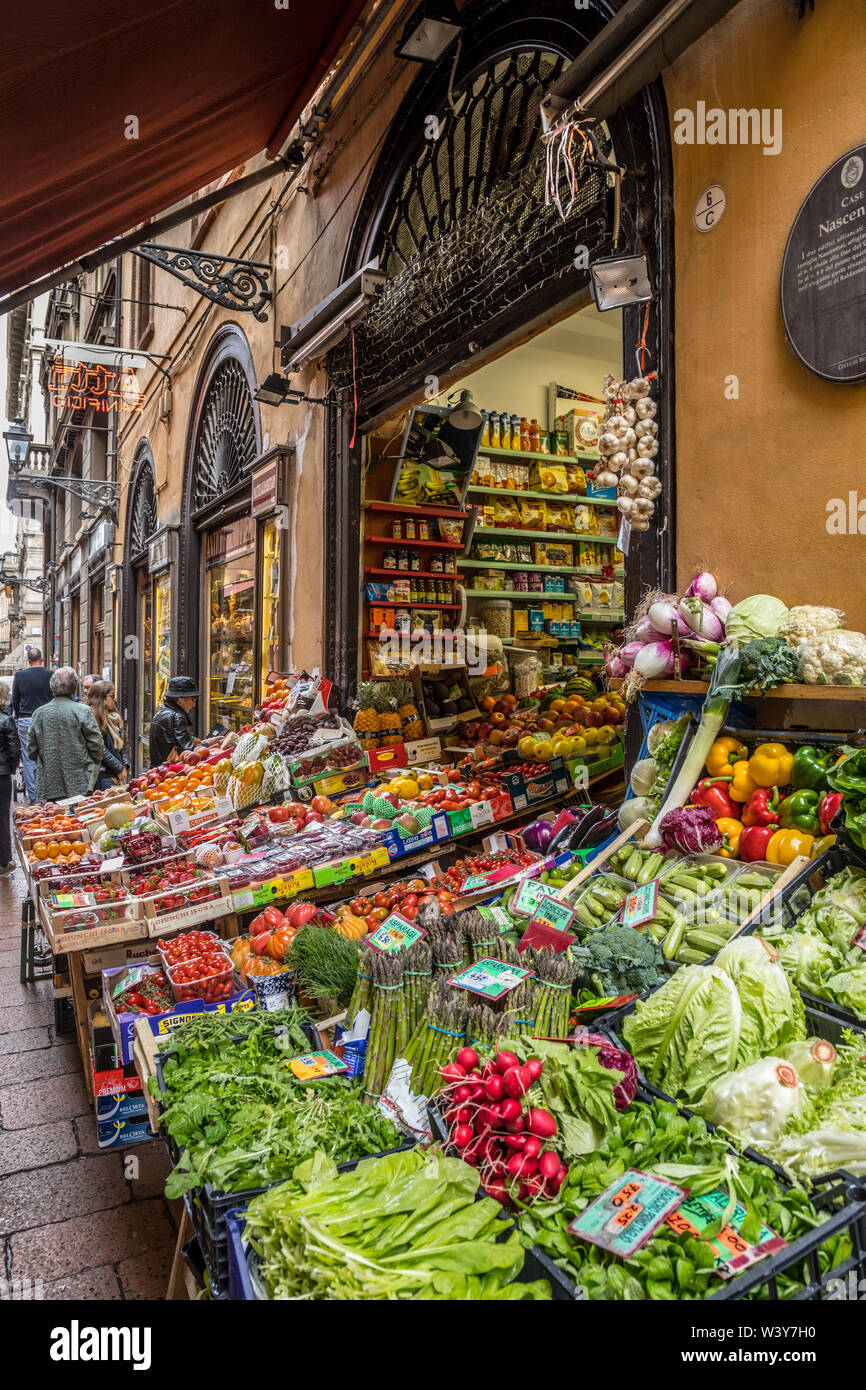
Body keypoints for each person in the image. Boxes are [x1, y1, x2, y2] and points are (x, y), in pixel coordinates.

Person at [27, 666, 104, 802]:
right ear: (74, 689)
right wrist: (92, 764)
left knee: (54, 820)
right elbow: (96, 745)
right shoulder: (83, 711)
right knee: (77, 819)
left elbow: (32, 750)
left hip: (49, 782)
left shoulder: (39, 713)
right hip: (80, 781)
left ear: (52, 688)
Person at [11, 647, 52, 801]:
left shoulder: (20, 675)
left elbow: (15, 698)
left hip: (26, 719)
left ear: (28, 660)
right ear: (42, 659)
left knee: (28, 758)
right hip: (46, 719)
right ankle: (47, 792)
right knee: (47, 754)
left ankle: (34, 795)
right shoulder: (50, 674)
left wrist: (19, 715)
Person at [148, 675, 200, 768]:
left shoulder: (161, 713)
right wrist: (208, 743)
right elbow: (189, 752)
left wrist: (191, 738)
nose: (194, 704)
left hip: (160, 771)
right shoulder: (177, 717)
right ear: (180, 699)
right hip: (172, 773)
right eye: (193, 699)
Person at [85, 680, 128, 790]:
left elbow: (120, 746)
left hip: (113, 774)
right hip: (103, 776)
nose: (115, 699)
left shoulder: (112, 717)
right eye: (112, 696)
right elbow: (100, 749)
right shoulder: (92, 718)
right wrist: (119, 768)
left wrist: (124, 765)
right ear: (102, 698)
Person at [0, 702, 21, 874]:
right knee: (2, 818)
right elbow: (14, 750)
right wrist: (10, 769)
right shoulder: (6, 720)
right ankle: (4, 861)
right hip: (1, 775)